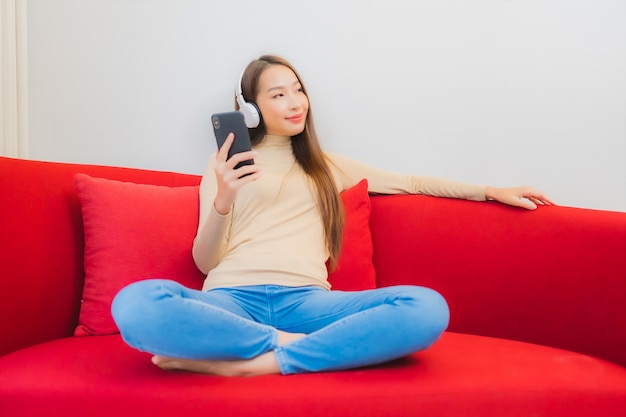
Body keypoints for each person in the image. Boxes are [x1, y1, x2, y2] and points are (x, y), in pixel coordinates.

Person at [111, 55, 554, 377]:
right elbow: (206, 264)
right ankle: (288, 347)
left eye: (298, 89)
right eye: (278, 94)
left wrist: (492, 190)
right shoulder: (224, 162)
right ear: (249, 108)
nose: (294, 101)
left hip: (308, 303)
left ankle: (256, 364)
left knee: (426, 308)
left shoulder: (328, 165)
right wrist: (224, 198)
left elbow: (413, 182)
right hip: (232, 299)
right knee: (136, 304)